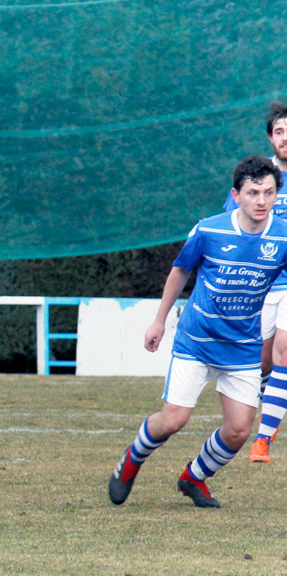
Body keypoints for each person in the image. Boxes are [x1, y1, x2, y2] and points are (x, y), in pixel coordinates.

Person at [109, 156, 287, 508]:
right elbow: (180, 271)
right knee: (173, 421)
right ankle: (131, 461)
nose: (261, 200)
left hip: (242, 347)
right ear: (236, 195)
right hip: (197, 341)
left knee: (238, 431)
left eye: (268, 192)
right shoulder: (209, 229)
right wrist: (159, 320)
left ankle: (194, 477)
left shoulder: (283, 237)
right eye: (253, 192)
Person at [222, 103, 287, 463]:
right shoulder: (258, 176)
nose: (285, 137)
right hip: (260, 282)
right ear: (270, 137)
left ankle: (262, 441)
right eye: (279, 131)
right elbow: (230, 222)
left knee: (284, 354)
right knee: (262, 361)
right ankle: (269, 397)